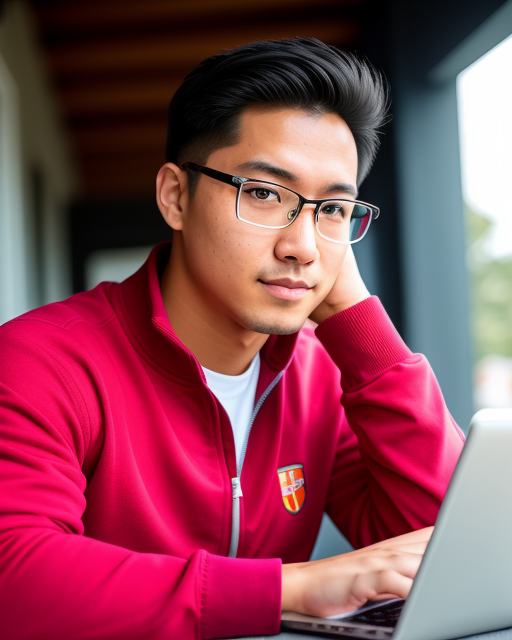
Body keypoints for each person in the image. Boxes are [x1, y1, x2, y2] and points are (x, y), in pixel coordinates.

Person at [0, 38, 465, 639]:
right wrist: (293, 589)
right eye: (266, 194)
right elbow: (14, 577)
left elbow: (440, 545)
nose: (300, 246)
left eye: (333, 209)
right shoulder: (40, 360)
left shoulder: (317, 376)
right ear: (176, 196)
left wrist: (357, 320)